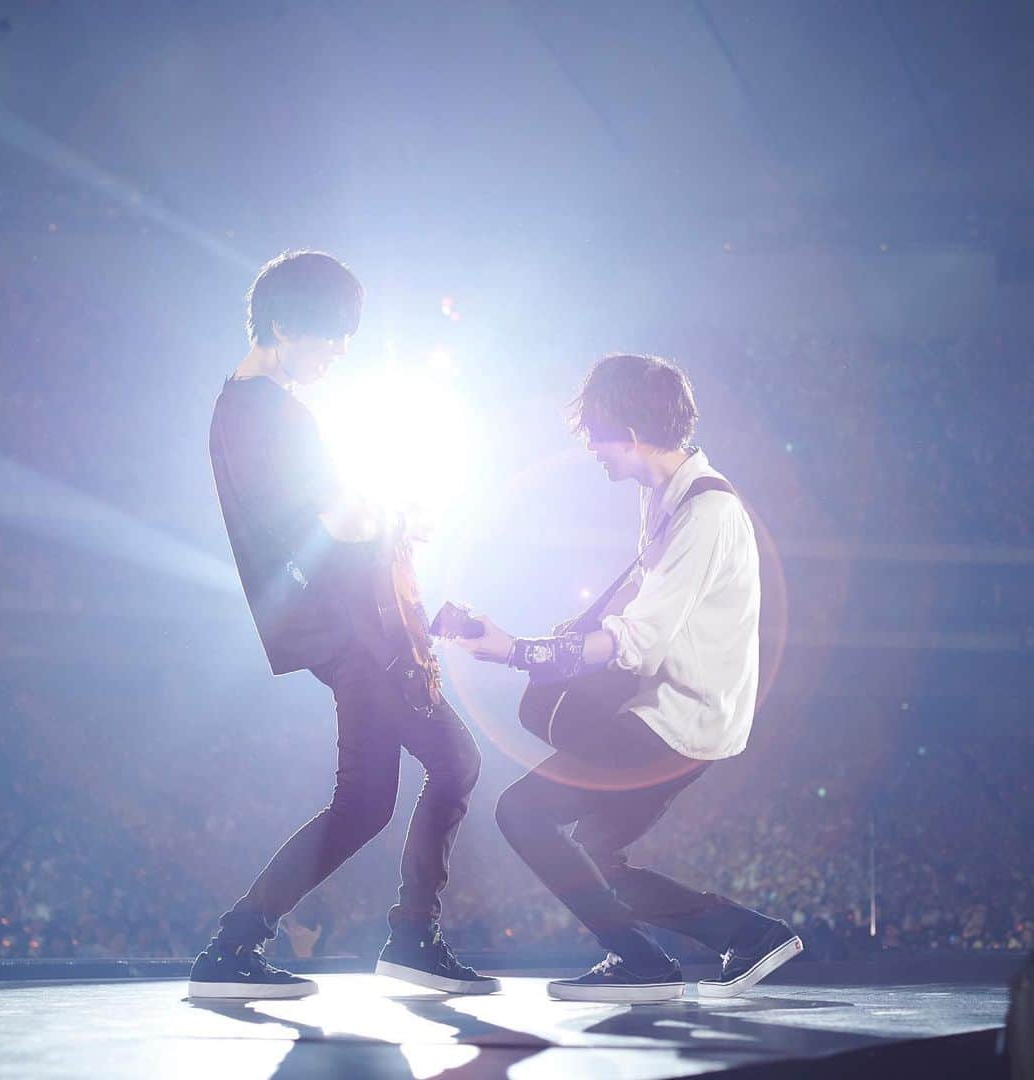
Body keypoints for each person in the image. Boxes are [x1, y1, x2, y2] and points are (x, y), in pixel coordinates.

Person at [188, 250, 498, 999]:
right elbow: (328, 522)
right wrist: (387, 509)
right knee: (450, 766)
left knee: (369, 801)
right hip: (360, 630)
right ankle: (397, 941)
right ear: (288, 325)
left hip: (345, 627)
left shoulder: (241, 404)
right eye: (332, 339)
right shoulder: (268, 412)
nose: (337, 356)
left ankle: (241, 946)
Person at [456, 353, 801, 1003]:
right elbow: (645, 605)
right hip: (680, 711)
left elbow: (639, 644)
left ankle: (640, 961)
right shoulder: (663, 496)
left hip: (678, 719)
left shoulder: (706, 512)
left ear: (630, 433)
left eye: (593, 433)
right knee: (592, 853)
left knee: (523, 813)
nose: (590, 449)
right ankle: (748, 936)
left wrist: (517, 652)